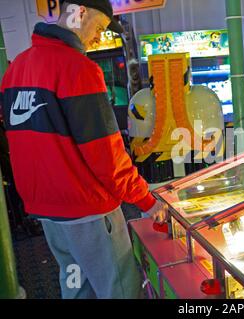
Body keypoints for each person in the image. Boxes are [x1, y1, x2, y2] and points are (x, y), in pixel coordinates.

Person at [0, 0, 166, 299]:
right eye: (100, 27)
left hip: (50, 215)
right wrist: (146, 200)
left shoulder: (16, 70)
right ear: (79, 12)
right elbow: (106, 155)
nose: (99, 38)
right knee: (119, 290)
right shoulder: (79, 69)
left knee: (75, 284)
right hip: (89, 215)